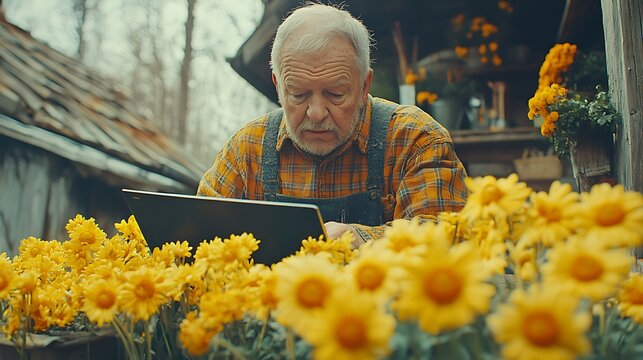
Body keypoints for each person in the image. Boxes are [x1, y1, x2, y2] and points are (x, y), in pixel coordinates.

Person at [198, 3, 468, 248]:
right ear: (278, 86)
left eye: (335, 94)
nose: (316, 113)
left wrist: (359, 241)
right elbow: (195, 234)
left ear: (364, 86)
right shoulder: (247, 149)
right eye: (299, 94)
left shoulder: (416, 140)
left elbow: (447, 237)